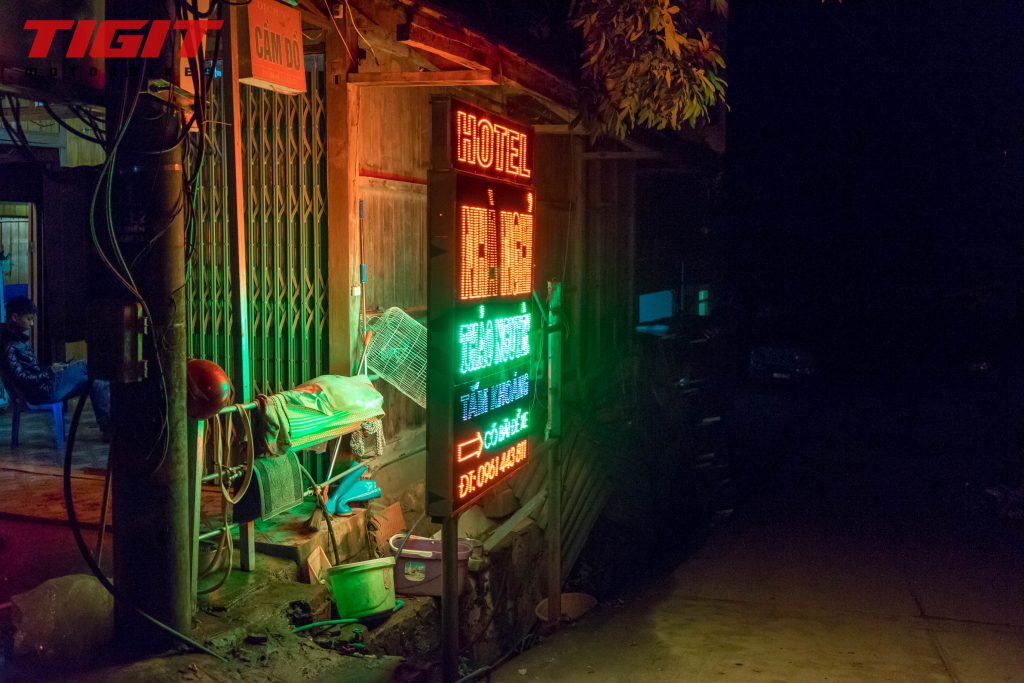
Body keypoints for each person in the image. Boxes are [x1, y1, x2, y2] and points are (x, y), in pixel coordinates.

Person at [0, 296, 110, 439]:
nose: (32, 323)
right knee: (86, 366)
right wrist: (50, 372)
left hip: (41, 387)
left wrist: (51, 369)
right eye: (29, 319)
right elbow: (22, 378)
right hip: (40, 392)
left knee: (96, 380)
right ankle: (110, 428)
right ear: (15, 317)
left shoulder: (13, 339)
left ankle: (108, 429)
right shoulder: (10, 345)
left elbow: (31, 370)